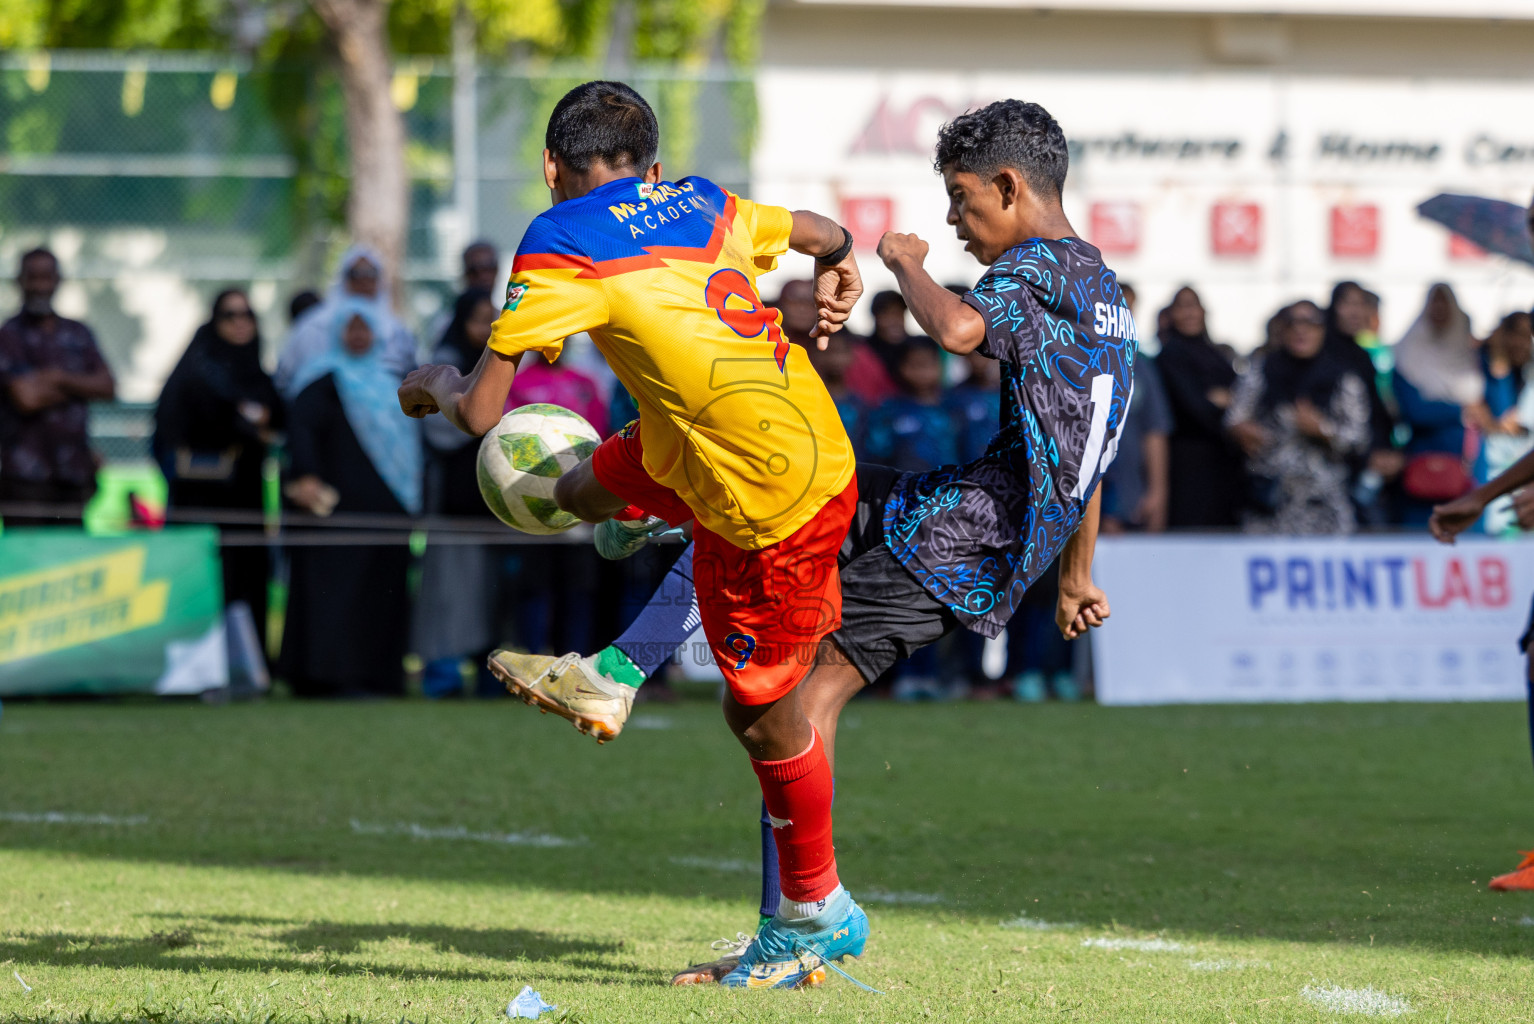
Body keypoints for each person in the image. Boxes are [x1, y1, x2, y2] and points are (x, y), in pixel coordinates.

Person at [464, 98, 1132, 983]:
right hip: (962, 510)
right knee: (761, 504)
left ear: (1010, 188)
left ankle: (802, 921)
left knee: (783, 713)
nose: (952, 223)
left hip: (961, 539)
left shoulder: (1034, 268)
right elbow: (1080, 445)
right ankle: (634, 636)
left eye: (963, 200)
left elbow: (962, 330)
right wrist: (1076, 572)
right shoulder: (1101, 291)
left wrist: (903, 266)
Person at [396, 80, 868, 989]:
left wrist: (435, 380)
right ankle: (628, 601)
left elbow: (483, 411)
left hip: (765, 492)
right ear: (650, 166)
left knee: (762, 715)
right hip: (770, 432)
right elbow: (810, 229)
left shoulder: (560, 238)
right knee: (575, 487)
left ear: (550, 167)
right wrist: (843, 258)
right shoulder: (699, 201)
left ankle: (818, 913)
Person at [282, 298, 421, 698]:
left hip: (389, 507)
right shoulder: (320, 379)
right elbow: (302, 431)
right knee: (338, 593)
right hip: (336, 510)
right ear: (336, 331)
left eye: (365, 327)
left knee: (382, 593)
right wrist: (306, 476)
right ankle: (330, 678)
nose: (358, 335)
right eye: (351, 327)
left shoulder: (391, 381)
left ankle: (378, 676)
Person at [152, 288, 283, 655]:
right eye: (229, 315)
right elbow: (177, 422)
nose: (240, 323)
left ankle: (245, 667)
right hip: (199, 496)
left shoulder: (256, 374)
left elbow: (277, 416)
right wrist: (243, 423)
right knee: (201, 578)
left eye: (247, 315)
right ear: (214, 320)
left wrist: (247, 421)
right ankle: (194, 668)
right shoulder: (198, 369)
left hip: (244, 493)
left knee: (245, 575)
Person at [414, 289, 500, 698]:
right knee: (448, 597)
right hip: (454, 503)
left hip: (496, 505)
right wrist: (476, 415)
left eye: (493, 319)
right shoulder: (443, 366)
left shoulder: (502, 367)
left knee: (491, 597)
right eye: (478, 319)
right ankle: (443, 677)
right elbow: (439, 430)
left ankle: (490, 677)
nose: (486, 328)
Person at [1226, 300, 1371, 534]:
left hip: (1323, 508)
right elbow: (1235, 416)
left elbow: (1359, 438)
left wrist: (1323, 431)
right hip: (1270, 507)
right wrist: (1244, 431)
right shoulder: (1262, 371)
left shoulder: (1343, 379)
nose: (1300, 330)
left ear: (1323, 330)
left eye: (1310, 323)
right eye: (1293, 323)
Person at [0, 248, 116, 526]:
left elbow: (108, 386)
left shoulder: (78, 332)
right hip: (24, 477)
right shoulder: (8, 335)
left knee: (71, 555)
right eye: (33, 277)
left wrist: (56, 378)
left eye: (46, 277)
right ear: (20, 281)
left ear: (58, 281)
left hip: (74, 473)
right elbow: (26, 398)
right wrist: (79, 386)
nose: (40, 285)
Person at [274, 244, 418, 395]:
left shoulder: (397, 332)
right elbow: (285, 378)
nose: (364, 281)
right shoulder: (314, 326)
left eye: (371, 273)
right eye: (356, 274)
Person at [1155, 286, 1244, 528]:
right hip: (1189, 465)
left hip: (1221, 465)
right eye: (1182, 307)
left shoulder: (1214, 353)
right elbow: (1195, 407)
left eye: (1193, 306)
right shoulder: (1171, 355)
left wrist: (1222, 400)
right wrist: (1219, 402)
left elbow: (1240, 397)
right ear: (1171, 314)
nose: (1189, 314)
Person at [1394, 283, 1482, 526]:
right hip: (1424, 464)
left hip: (1468, 464)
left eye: (1446, 303)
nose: (1440, 310)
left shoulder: (1471, 357)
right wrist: (1460, 411)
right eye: (1435, 302)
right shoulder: (1407, 358)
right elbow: (1415, 411)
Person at [1473, 312, 1534, 535]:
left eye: (1527, 336)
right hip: (1495, 468)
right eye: (1515, 335)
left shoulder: (1529, 373)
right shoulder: (1488, 370)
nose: (1521, 343)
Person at [864, 337, 957, 473]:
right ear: (900, 367)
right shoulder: (888, 410)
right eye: (915, 365)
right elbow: (877, 454)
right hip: (905, 490)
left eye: (929, 364)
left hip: (952, 488)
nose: (923, 372)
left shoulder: (954, 405)